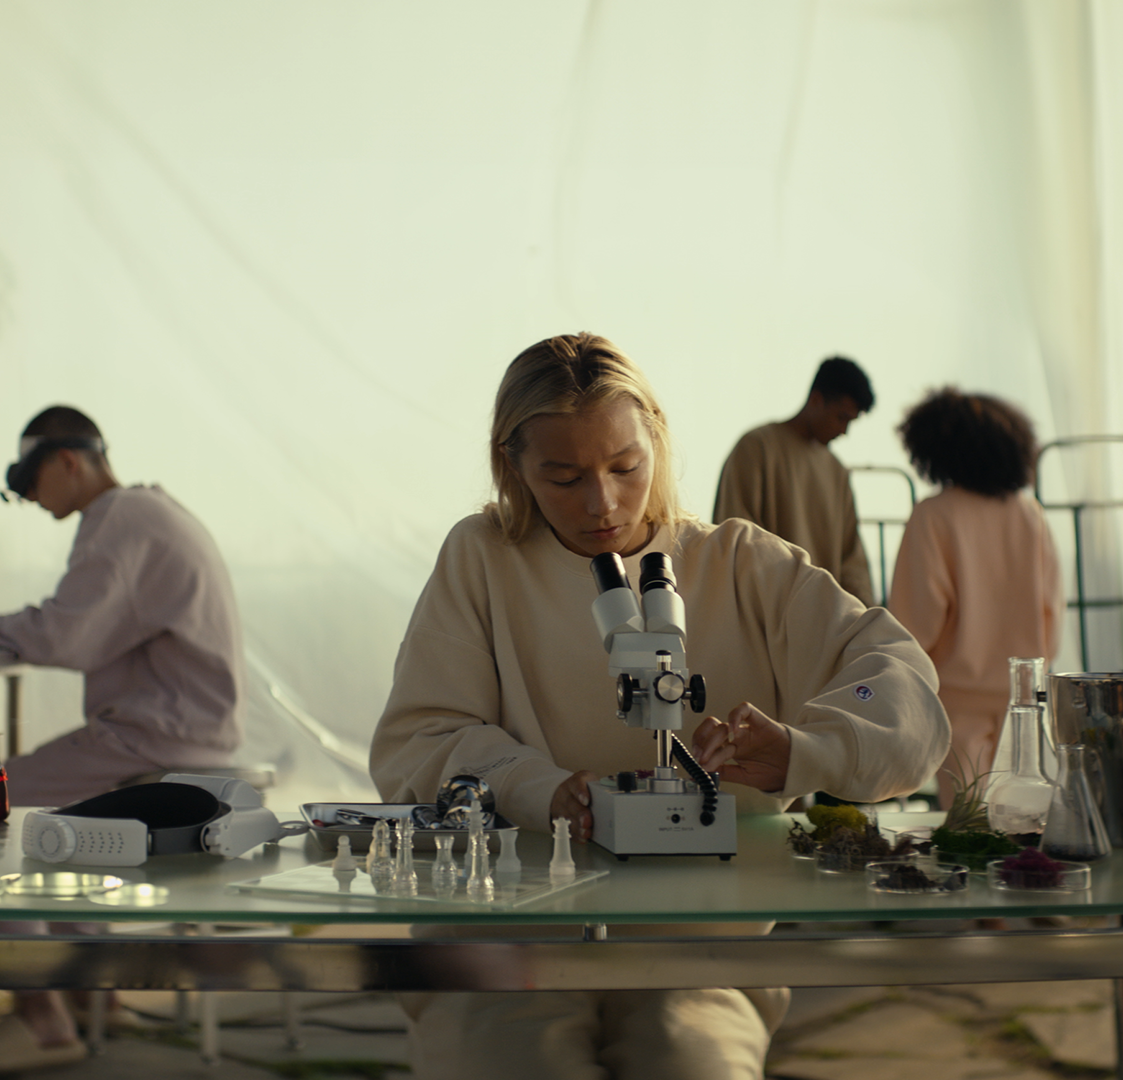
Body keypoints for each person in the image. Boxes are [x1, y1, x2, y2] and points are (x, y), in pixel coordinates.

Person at [370, 333, 949, 1080]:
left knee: (690, 1058)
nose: (602, 503)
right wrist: (536, 785)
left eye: (624, 468)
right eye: (564, 476)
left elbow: (896, 681)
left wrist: (807, 749)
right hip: (508, 935)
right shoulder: (481, 560)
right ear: (512, 465)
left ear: (658, 441)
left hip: (700, 944)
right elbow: (419, 741)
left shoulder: (739, 564)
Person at [0, 405, 244, 1074]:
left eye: (26, 477)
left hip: (158, 741)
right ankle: (92, 994)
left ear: (67, 460)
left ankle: (44, 1018)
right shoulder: (150, 512)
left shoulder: (117, 520)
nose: (24, 495)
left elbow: (64, 636)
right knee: (46, 825)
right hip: (184, 733)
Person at [885, 388, 1061, 810]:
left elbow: (917, 619)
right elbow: (1051, 609)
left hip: (956, 695)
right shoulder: (1029, 514)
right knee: (1023, 817)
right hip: (1023, 693)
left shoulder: (933, 515)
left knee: (968, 820)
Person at [712, 356, 878, 605]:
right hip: (767, 621)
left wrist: (863, 621)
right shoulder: (757, 448)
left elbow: (852, 560)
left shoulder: (837, 472)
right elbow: (734, 540)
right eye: (841, 417)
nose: (844, 431)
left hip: (826, 628)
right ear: (816, 400)